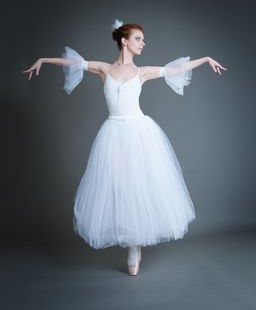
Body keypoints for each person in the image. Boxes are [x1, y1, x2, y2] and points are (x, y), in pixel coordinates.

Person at [22, 19, 227, 276]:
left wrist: (206, 59)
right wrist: (43, 60)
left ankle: (134, 246)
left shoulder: (142, 73)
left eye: (143, 39)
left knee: (138, 185)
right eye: (139, 38)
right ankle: (130, 240)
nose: (143, 43)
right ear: (124, 41)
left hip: (139, 133)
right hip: (112, 134)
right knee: (118, 186)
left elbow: (177, 69)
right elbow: (74, 63)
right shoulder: (104, 70)